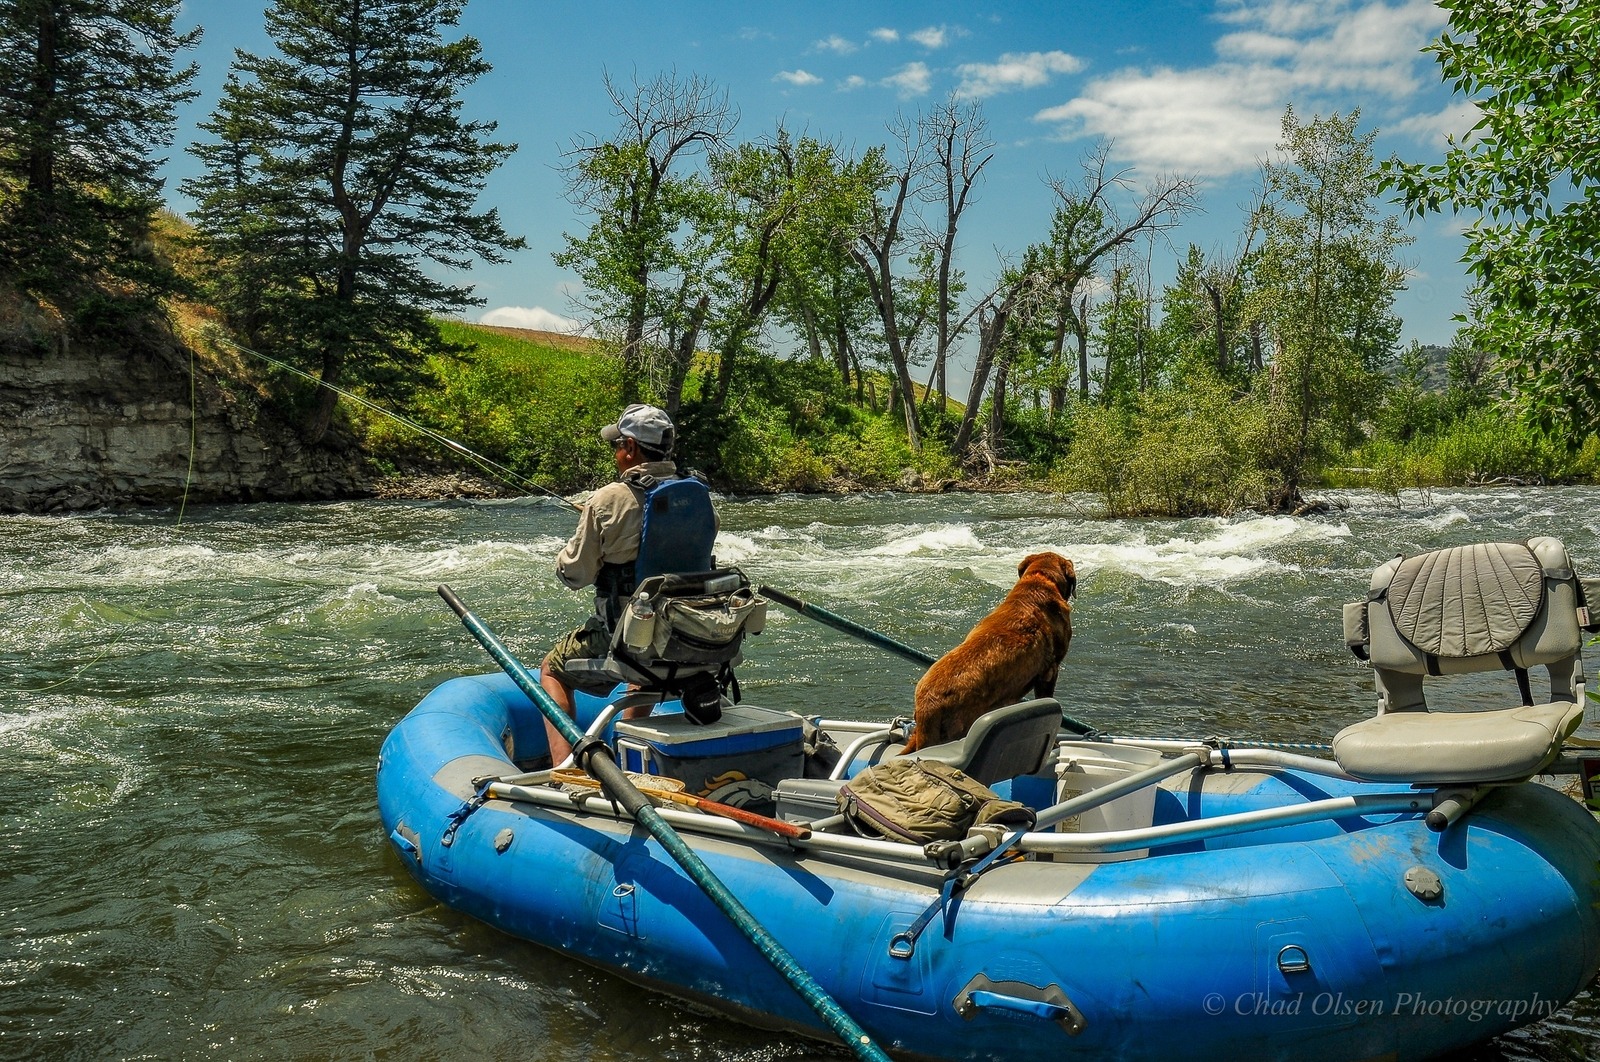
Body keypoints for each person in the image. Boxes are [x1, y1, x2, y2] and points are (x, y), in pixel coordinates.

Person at [539, 403, 717, 766]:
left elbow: (576, 574)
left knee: (552, 670)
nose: (616, 452)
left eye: (617, 444)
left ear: (631, 448)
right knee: (646, 667)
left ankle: (563, 770)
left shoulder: (607, 499)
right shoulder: (698, 495)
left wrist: (580, 538)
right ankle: (629, 759)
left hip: (629, 639)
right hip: (690, 633)